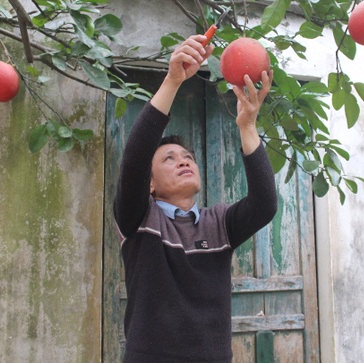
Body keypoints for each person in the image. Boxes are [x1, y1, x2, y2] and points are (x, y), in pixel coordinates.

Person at [113, 34, 278, 362]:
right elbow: (134, 157)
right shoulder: (139, 219)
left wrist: (247, 125)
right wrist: (173, 80)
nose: (184, 161)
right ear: (149, 184)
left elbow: (264, 205)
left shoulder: (220, 224)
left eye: (187, 156)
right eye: (169, 159)